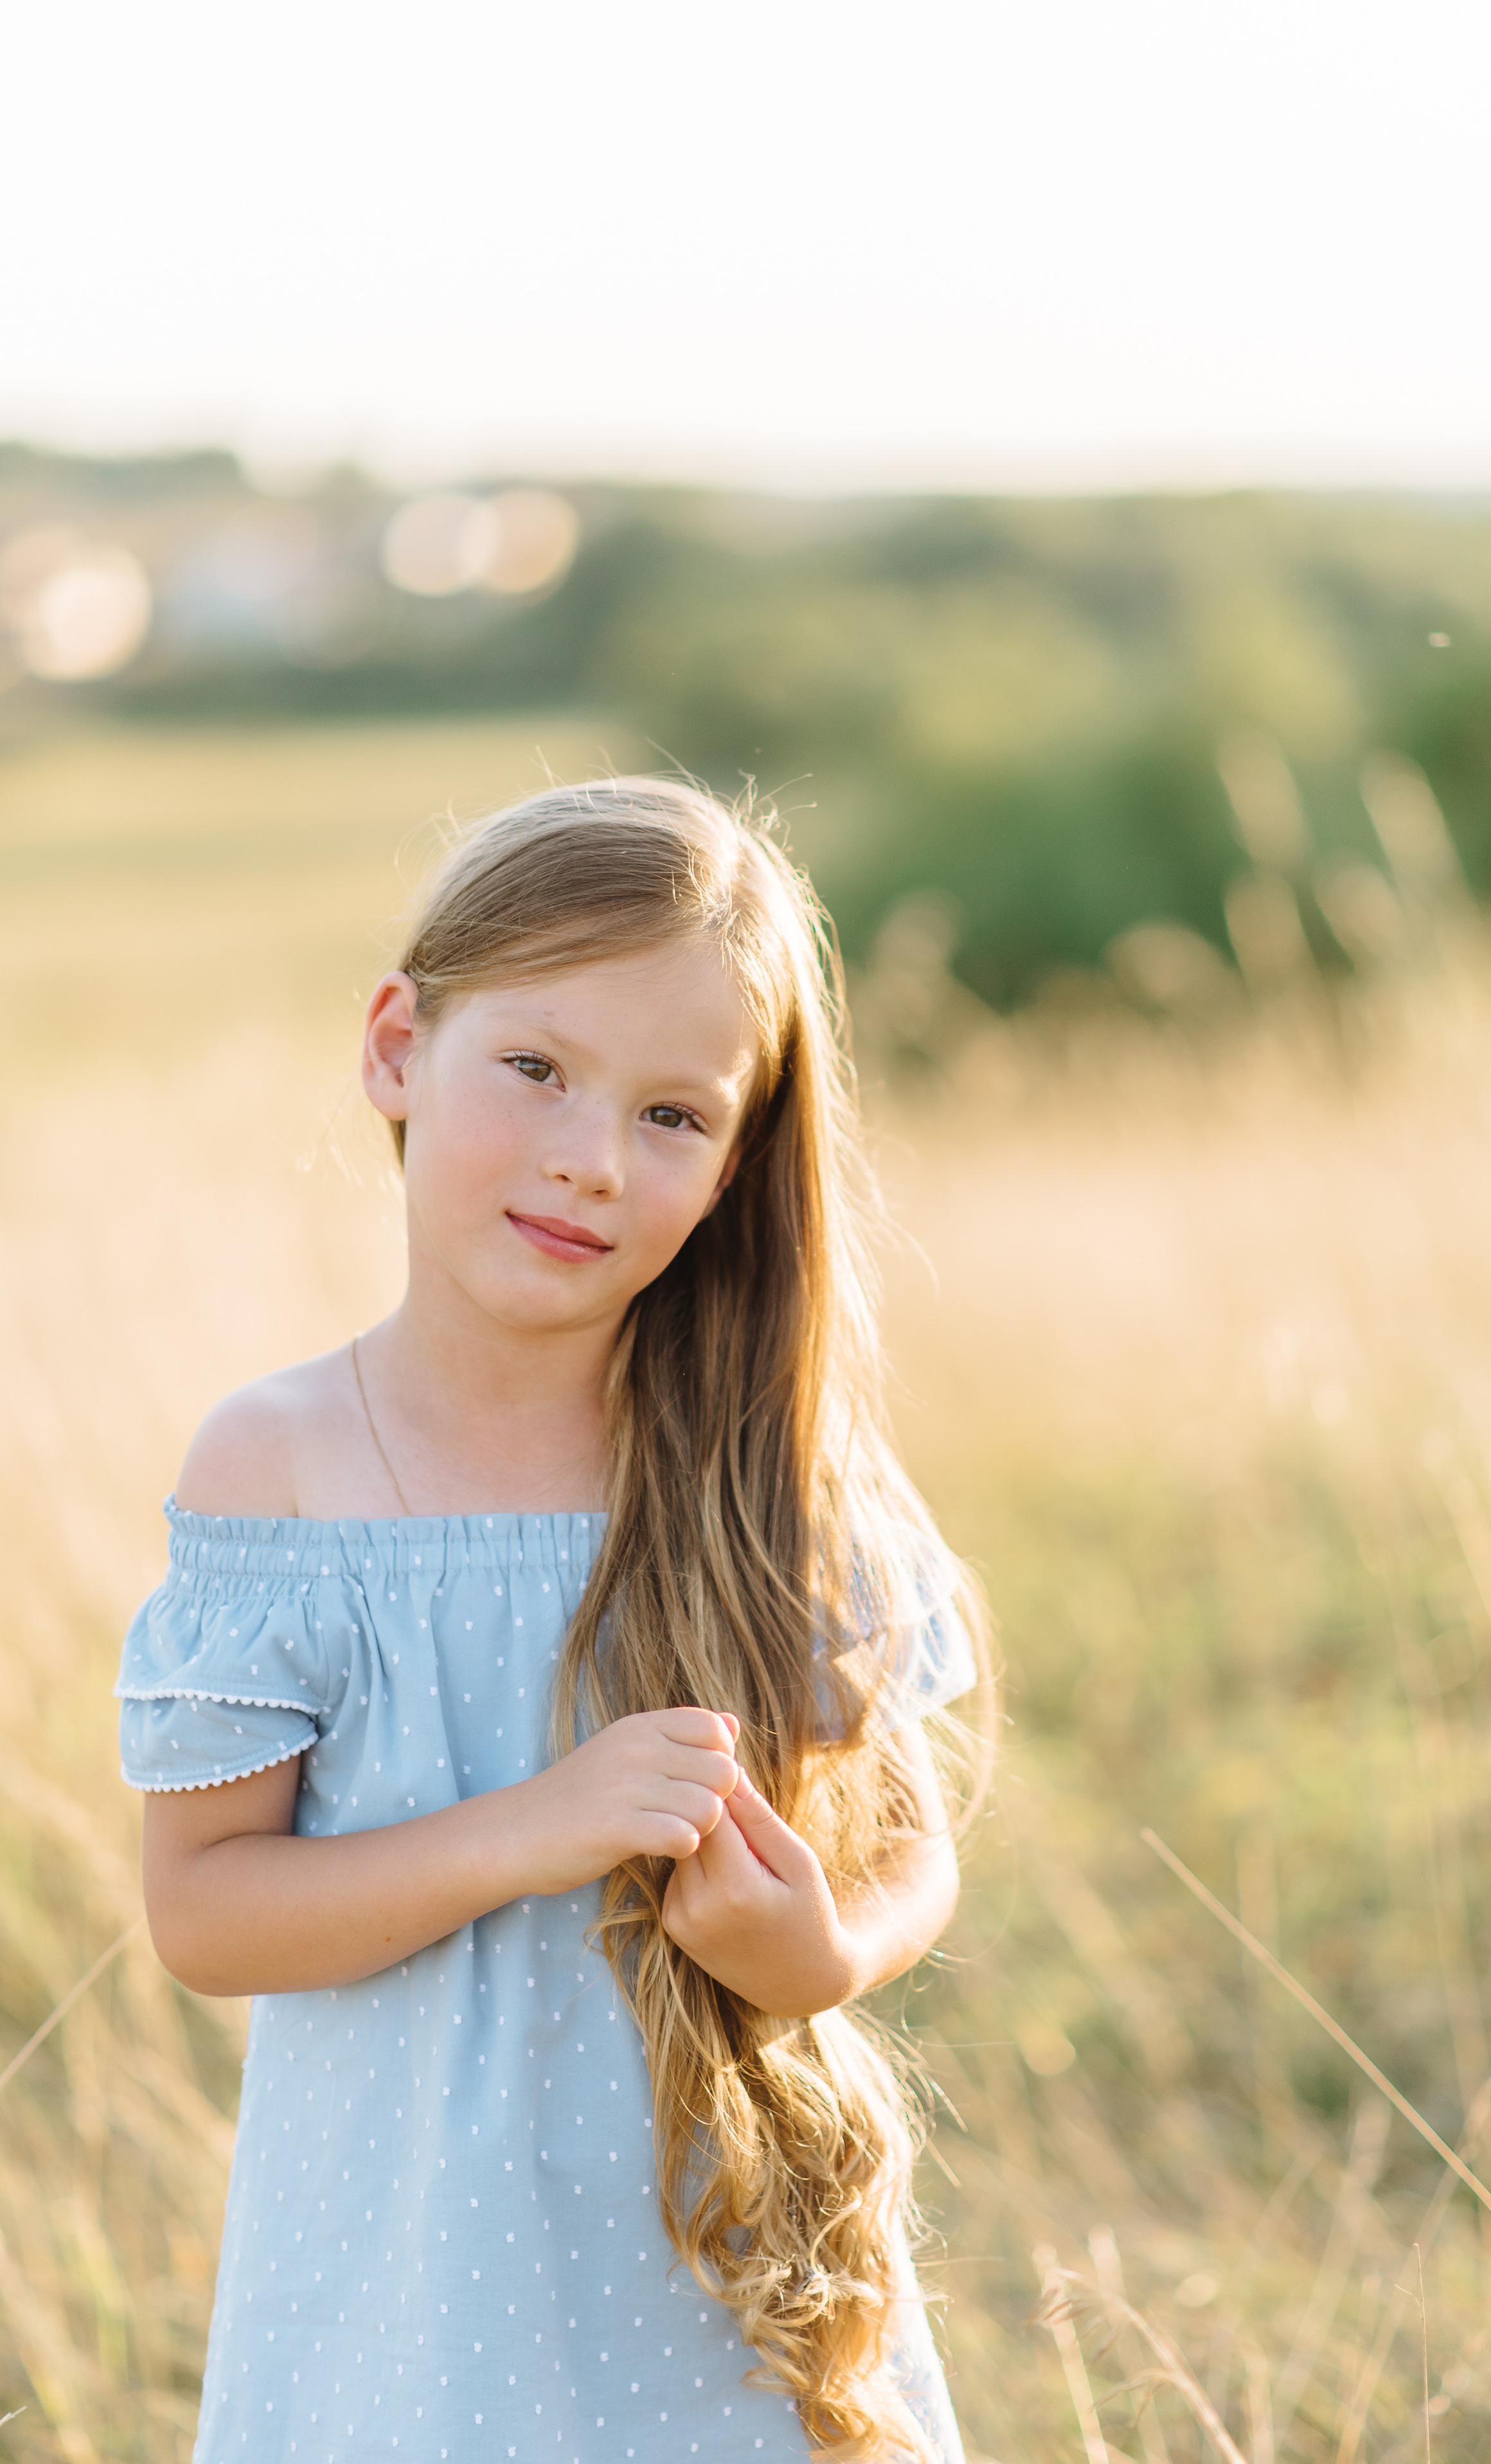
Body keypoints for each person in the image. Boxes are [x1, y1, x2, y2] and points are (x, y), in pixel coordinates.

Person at [117, 777, 992, 2463]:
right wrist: (536, 1825)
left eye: (675, 1115)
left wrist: (821, 1954)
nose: (592, 1158)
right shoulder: (285, 1462)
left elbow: (912, 1848)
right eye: (537, 1069)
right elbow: (208, 1913)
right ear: (397, 1048)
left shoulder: (769, 1463)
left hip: (722, 2272)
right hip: (405, 2301)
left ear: (738, 1166)